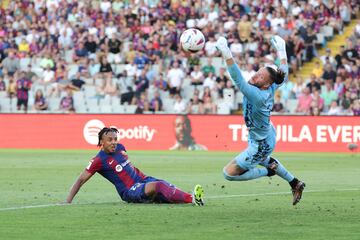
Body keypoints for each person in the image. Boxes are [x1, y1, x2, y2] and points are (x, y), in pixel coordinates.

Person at [215, 35, 305, 205]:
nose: (255, 77)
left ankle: (269, 173)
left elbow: (238, 79)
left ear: (265, 85)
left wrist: (226, 52)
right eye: (258, 73)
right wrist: (282, 51)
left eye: (260, 77)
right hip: (264, 134)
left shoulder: (257, 94)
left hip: (261, 141)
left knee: (229, 173)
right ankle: (295, 183)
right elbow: (283, 76)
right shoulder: (269, 86)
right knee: (264, 159)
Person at [66, 127, 204, 206]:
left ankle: (187, 199)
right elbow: (80, 180)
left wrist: (143, 178)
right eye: (110, 140)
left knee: (165, 188)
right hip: (129, 191)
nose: (114, 142)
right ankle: (193, 199)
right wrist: (67, 201)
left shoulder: (120, 147)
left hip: (142, 180)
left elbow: (128, 168)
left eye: (115, 139)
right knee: (160, 186)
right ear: (101, 142)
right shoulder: (98, 160)